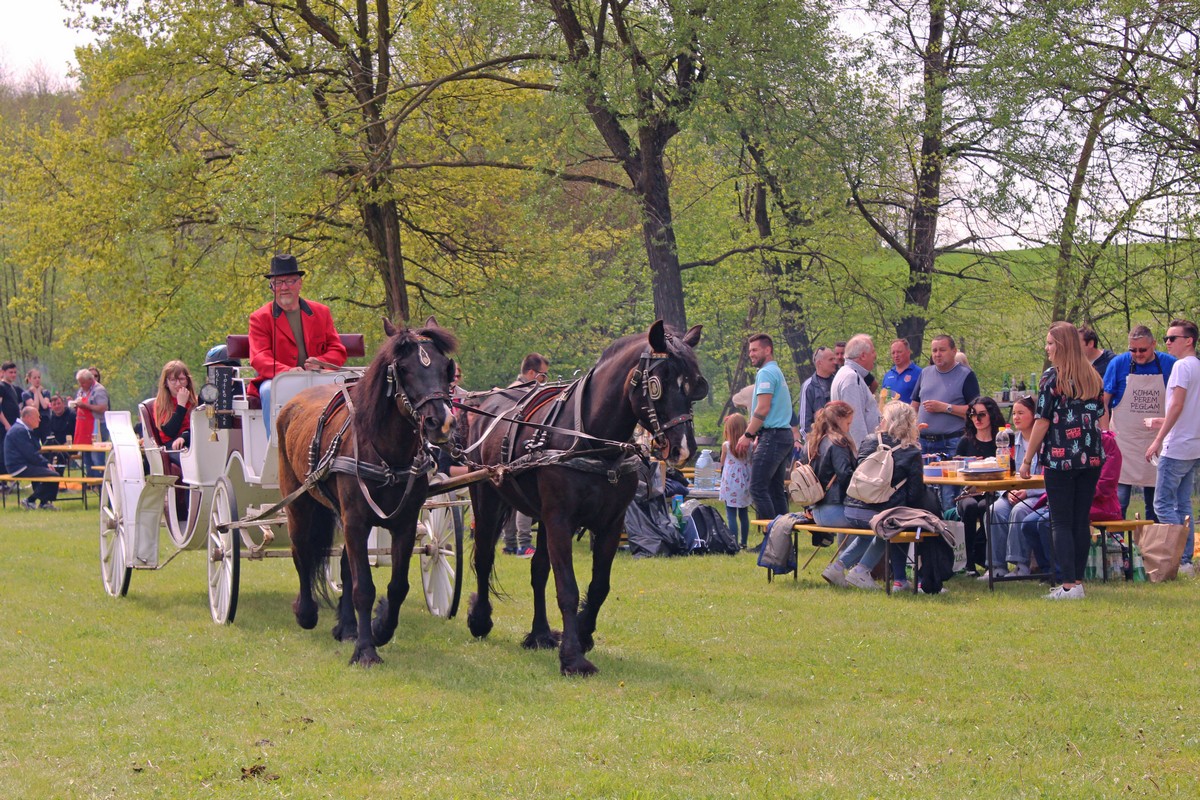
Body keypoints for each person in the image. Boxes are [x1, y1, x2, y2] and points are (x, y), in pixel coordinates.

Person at [1019, 321, 1106, 600]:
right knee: (1081, 520)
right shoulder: (1093, 376)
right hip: (1091, 455)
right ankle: (1077, 581)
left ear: (1062, 346)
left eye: (1050, 343)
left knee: (1061, 521)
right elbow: (1101, 416)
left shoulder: (1052, 377)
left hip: (1061, 458)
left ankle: (1068, 584)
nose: (1047, 348)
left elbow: (1041, 421)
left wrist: (1027, 459)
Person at [248, 254, 348, 432]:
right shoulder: (260, 318)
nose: (284, 287)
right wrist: (287, 372)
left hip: (318, 377)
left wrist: (320, 363)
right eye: (278, 282)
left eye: (290, 281)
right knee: (267, 391)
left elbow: (337, 350)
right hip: (277, 380)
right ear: (272, 287)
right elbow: (259, 357)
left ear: (300, 283)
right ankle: (276, 448)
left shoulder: (321, 312)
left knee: (350, 390)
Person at [837, 401, 926, 591]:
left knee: (887, 524)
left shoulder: (869, 440)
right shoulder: (911, 451)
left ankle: (838, 567)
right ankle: (893, 578)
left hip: (852, 509)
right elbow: (915, 494)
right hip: (880, 515)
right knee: (899, 522)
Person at [1101, 324, 1176, 521]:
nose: (1138, 354)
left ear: (1154, 344)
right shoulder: (1118, 364)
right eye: (1132, 350)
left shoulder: (1170, 364)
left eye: (1142, 350)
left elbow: (1180, 403)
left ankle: (1156, 549)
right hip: (1123, 444)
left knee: (1156, 505)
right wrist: (1104, 436)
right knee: (1118, 502)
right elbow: (1104, 403)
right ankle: (1117, 547)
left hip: (1157, 442)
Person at [1145, 319, 1200, 577]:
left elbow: (1177, 405)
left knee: (1163, 504)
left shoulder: (1180, 367)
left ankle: (1178, 558)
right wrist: (1162, 421)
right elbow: (1189, 409)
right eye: (1166, 338)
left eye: (1172, 338)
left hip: (1176, 446)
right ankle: (1186, 561)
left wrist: (1158, 439)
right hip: (1193, 445)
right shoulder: (1197, 367)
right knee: (1183, 504)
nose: (1167, 342)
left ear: (1188, 340)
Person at [911, 334, 980, 507]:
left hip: (951, 443)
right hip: (924, 444)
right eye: (934, 350)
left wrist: (945, 408)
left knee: (948, 496)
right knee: (924, 495)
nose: (937, 354)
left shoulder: (965, 375)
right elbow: (914, 405)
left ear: (954, 351)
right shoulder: (925, 373)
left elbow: (976, 411)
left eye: (942, 350)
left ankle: (950, 531)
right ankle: (928, 531)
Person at [735, 333, 795, 530]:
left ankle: (772, 540)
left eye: (754, 350)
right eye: (749, 350)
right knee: (775, 489)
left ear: (767, 350)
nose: (750, 354)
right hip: (783, 435)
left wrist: (748, 434)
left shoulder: (766, 373)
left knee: (758, 487)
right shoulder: (776, 371)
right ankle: (783, 538)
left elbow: (763, 408)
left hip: (773, 436)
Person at [982, 396, 1043, 579]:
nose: (1016, 417)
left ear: (1034, 415)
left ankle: (1021, 565)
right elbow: (1004, 471)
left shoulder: (1044, 442)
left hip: (1037, 494)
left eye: (1021, 413)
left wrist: (1027, 491)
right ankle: (996, 566)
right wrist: (1007, 491)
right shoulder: (1009, 441)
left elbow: (1047, 478)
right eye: (1014, 413)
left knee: (1019, 511)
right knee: (994, 510)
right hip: (1012, 492)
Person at [501, 353, 549, 556]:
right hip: (518, 449)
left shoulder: (517, 390)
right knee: (523, 500)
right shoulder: (520, 392)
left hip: (512, 449)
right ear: (531, 373)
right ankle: (523, 543)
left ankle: (511, 544)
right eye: (543, 376)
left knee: (512, 503)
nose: (546, 381)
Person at [955, 396, 1004, 575]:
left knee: (986, 507)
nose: (977, 419)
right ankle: (968, 563)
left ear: (991, 415)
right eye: (973, 414)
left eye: (982, 414)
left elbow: (1007, 470)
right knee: (969, 507)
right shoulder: (965, 442)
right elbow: (957, 472)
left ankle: (985, 557)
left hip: (994, 492)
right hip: (968, 492)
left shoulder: (1001, 441)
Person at [3, 405, 60, 510]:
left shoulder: (24, 429)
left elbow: (36, 447)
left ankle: (43, 502)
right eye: (37, 417)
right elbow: (30, 454)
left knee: (52, 472)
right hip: (18, 467)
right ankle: (31, 501)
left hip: (22, 464)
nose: (39, 420)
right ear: (28, 418)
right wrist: (46, 463)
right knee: (54, 475)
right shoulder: (19, 431)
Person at [829, 334, 879, 445]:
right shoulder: (851, 378)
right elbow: (855, 423)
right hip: (858, 453)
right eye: (872, 352)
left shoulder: (849, 374)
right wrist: (864, 454)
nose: (875, 355)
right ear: (863, 356)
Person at [150, 361, 197, 464]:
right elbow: (169, 431)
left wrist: (184, 437)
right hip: (171, 446)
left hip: (192, 440)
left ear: (187, 380)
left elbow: (199, 428)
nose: (178, 384)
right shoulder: (160, 403)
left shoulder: (195, 401)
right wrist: (181, 405)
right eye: (173, 380)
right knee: (189, 462)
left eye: (181, 379)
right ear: (166, 383)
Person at [718, 413, 752, 549]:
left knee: (731, 513)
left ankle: (733, 542)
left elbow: (721, 462)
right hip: (745, 482)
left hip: (730, 484)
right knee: (744, 514)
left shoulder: (726, 445)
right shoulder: (750, 446)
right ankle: (744, 542)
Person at [72, 367, 109, 480]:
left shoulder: (99, 390)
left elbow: (103, 408)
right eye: (79, 383)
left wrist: (86, 406)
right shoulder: (82, 390)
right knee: (86, 455)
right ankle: (90, 480)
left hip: (97, 427)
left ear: (90, 380)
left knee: (96, 456)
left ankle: (100, 481)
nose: (81, 385)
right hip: (83, 427)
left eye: (83, 382)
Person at [796, 346, 836, 434]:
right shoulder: (808, 386)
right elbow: (804, 424)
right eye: (831, 360)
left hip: (839, 439)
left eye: (834, 359)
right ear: (819, 363)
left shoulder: (837, 382)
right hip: (818, 440)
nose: (835, 362)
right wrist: (814, 443)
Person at [881, 339, 921, 404]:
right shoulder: (888, 375)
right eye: (893, 353)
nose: (896, 355)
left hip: (910, 413)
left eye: (899, 352)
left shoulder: (919, 373)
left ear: (908, 353)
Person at [0, 361, 21, 476]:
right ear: (3, 372)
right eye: (10, 372)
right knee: (2, 452)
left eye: (14, 372)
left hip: (14, 425)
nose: (13, 375)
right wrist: (6, 424)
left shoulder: (12, 388)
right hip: (4, 427)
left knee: (11, 452)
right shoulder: (1, 386)